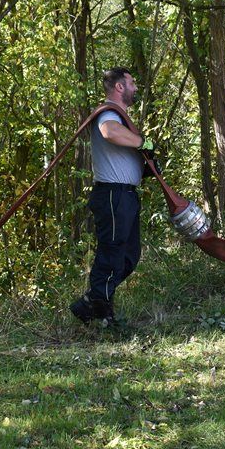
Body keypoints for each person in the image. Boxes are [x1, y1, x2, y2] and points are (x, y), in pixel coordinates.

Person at [70, 67, 153, 326]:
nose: (136, 87)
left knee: (128, 257)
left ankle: (92, 303)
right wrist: (141, 143)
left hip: (125, 195)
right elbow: (109, 132)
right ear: (119, 87)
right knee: (112, 252)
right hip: (112, 194)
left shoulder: (121, 116)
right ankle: (100, 313)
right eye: (132, 82)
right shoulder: (108, 113)